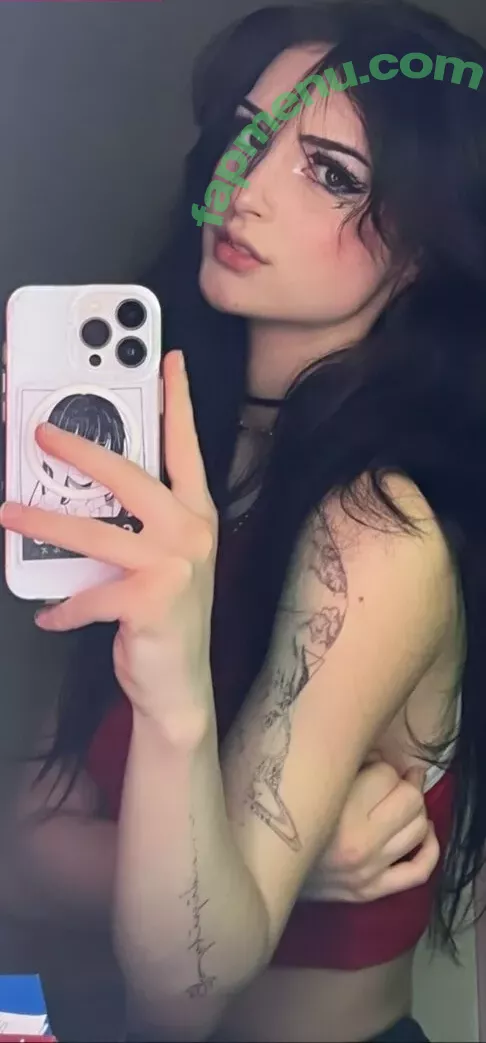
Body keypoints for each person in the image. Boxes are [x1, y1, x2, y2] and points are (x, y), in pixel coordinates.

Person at [2, 1, 486, 1040]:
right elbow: (19, 844)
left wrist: (175, 685)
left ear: (423, 250)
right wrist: (294, 866)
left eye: (331, 173)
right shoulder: (175, 457)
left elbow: (184, 988)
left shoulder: (377, 528)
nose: (244, 184)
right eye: (249, 133)